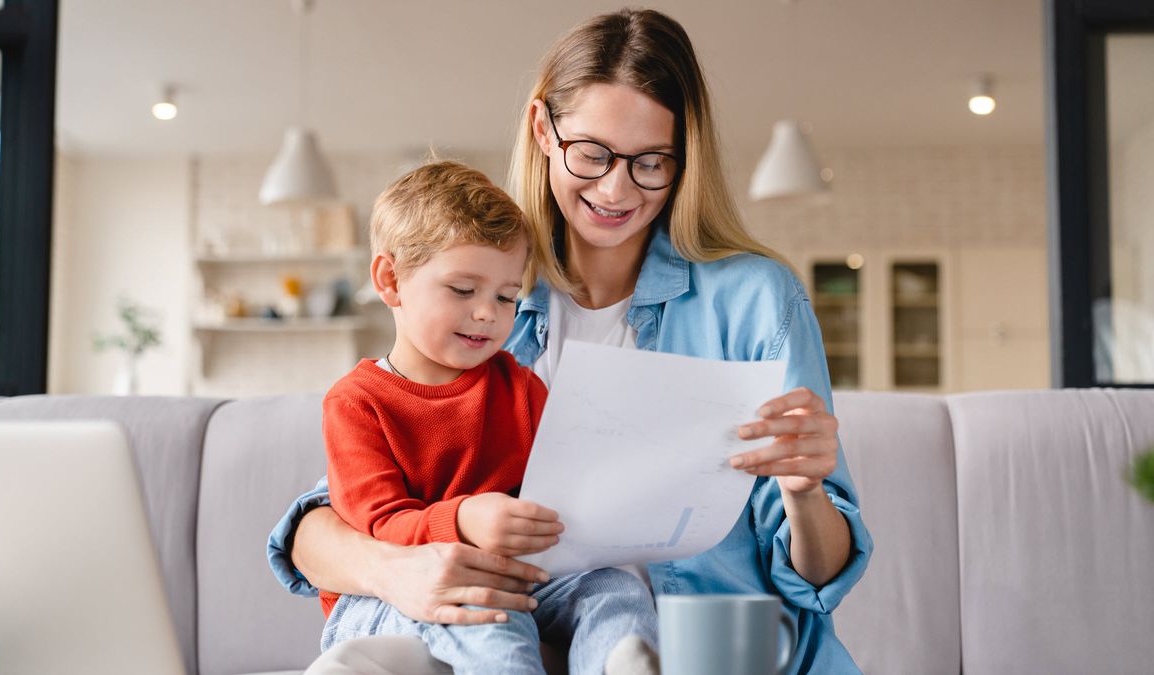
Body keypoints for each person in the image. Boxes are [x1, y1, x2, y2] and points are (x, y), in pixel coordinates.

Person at [269, 8, 873, 673]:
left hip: (707, 650)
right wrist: (400, 571)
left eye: (651, 162)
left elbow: (818, 577)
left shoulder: (756, 298)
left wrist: (804, 490)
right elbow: (324, 525)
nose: (616, 188)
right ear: (542, 129)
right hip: (527, 635)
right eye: (592, 153)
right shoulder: (487, 296)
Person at [317, 160, 659, 674]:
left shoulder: (520, 385)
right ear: (390, 280)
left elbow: (563, 486)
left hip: (513, 576)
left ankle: (619, 660)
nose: (488, 313)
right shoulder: (356, 402)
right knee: (489, 615)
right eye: (462, 290)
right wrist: (463, 520)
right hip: (388, 598)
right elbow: (379, 526)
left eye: (506, 297)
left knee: (614, 588)